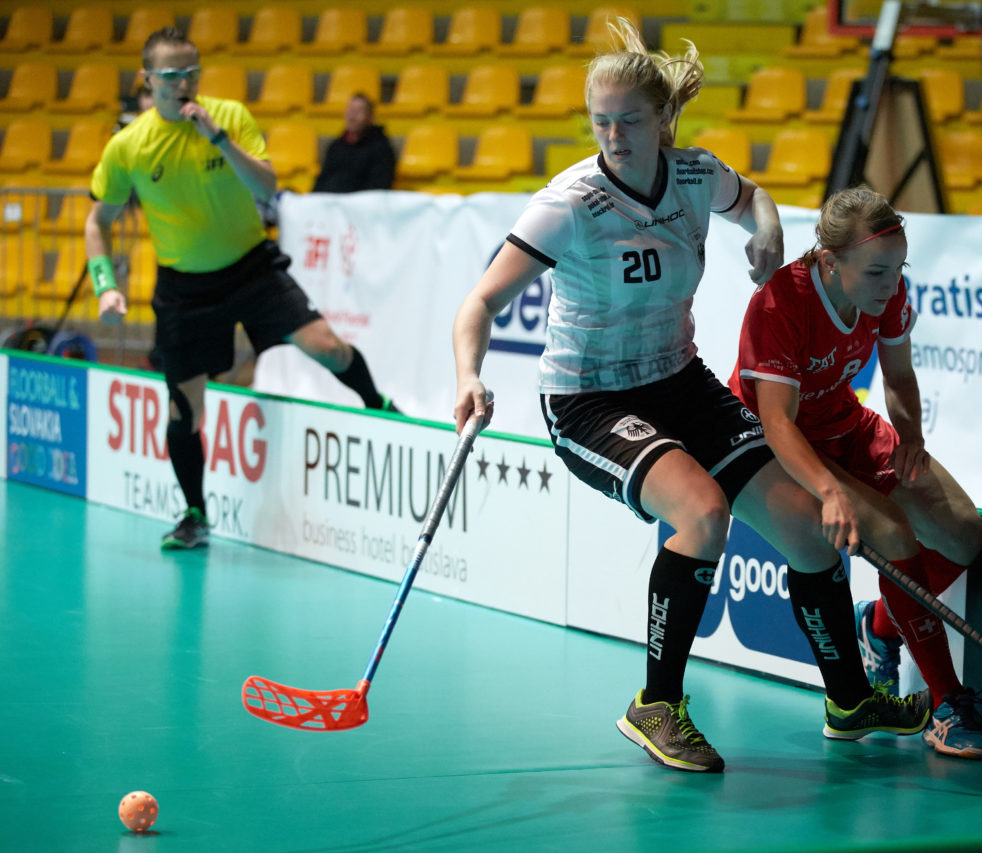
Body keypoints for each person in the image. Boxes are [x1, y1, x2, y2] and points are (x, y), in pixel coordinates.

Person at [451, 20, 929, 774]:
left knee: (807, 529)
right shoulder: (570, 202)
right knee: (703, 513)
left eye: (629, 120)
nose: (613, 135)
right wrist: (470, 375)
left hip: (678, 378)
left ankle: (848, 698)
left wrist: (766, 234)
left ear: (661, 121)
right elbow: (478, 301)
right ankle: (657, 704)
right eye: (600, 122)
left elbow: (757, 199)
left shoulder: (696, 176)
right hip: (589, 399)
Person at [87, 27, 400, 551]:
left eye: (191, 73)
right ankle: (195, 513)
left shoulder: (228, 116)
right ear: (148, 79)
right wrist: (105, 286)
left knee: (328, 347)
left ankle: (381, 406)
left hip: (252, 269)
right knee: (185, 410)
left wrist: (218, 139)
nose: (183, 83)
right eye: (171, 76)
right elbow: (98, 221)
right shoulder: (129, 147)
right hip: (183, 289)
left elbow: (266, 187)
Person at [728, 185, 982, 760]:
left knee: (964, 533)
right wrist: (828, 491)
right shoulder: (782, 302)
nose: (891, 284)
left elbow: (897, 377)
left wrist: (912, 439)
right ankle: (946, 706)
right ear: (830, 262)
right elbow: (775, 423)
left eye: (899, 269)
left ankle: (880, 624)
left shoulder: (887, 293)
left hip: (846, 423)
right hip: (781, 443)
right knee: (896, 532)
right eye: (877, 272)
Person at [311, 93, 396, 193]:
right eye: (350, 110)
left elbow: (378, 188)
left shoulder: (381, 148)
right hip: (329, 202)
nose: (352, 116)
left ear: (370, 118)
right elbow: (322, 181)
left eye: (358, 111)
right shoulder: (335, 146)